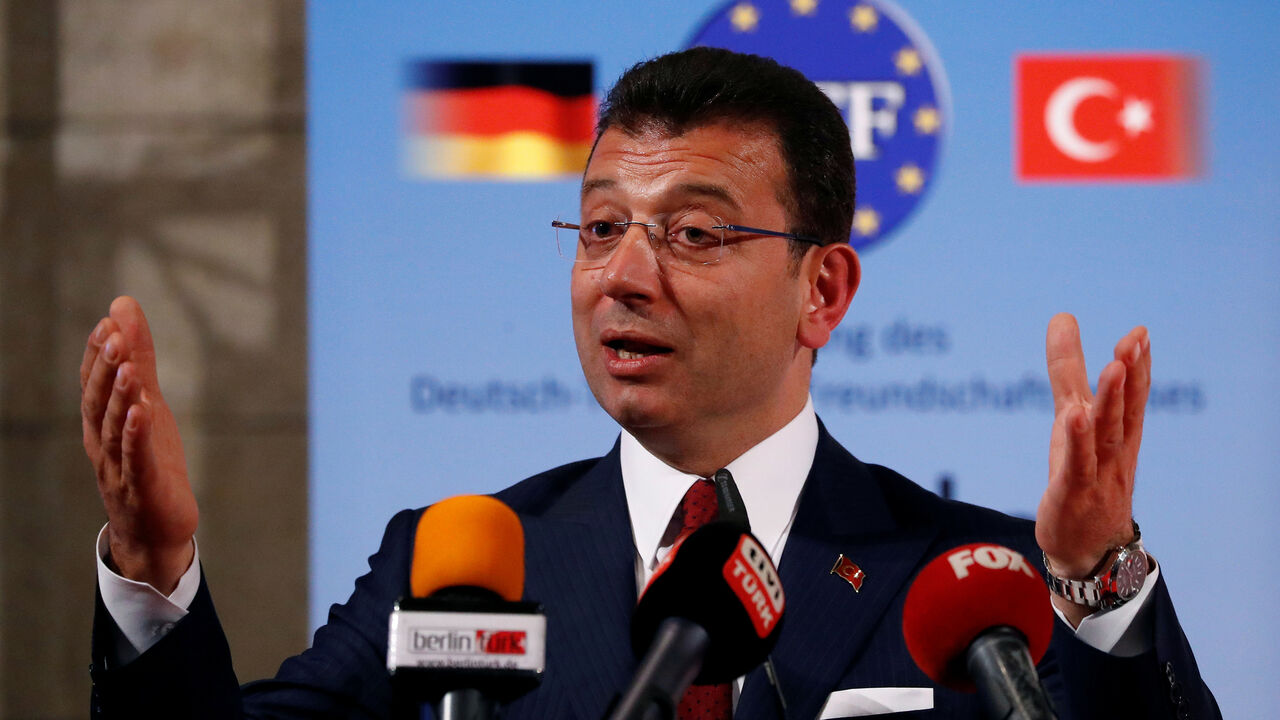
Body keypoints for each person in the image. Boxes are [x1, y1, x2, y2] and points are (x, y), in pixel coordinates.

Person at [83, 48, 1219, 719]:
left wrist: (1096, 584)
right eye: (599, 228)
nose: (621, 277)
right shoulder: (453, 564)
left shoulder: (978, 583)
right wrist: (152, 576)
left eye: (691, 234)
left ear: (820, 291)